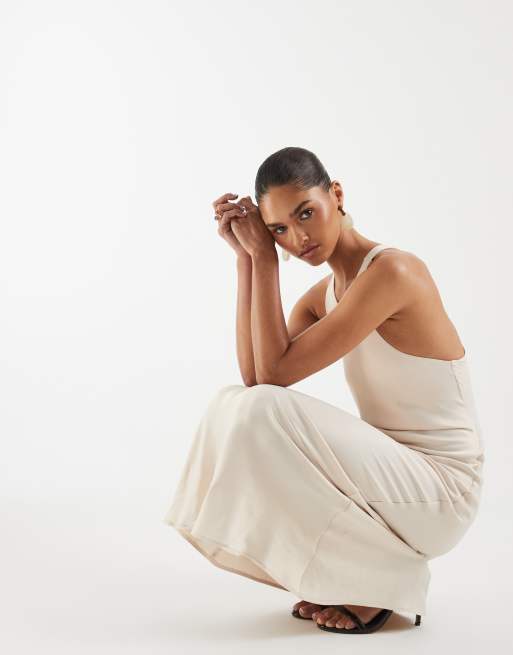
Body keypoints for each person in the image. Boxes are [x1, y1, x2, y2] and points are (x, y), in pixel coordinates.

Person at [162, 146, 484, 635]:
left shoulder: (393, 273)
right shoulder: (322, 298)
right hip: (395, 484)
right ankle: (357, 577)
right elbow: (255, 376)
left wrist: (267, 259)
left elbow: (274, 378)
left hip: (443, 491)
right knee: (234, 404)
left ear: (336, 194)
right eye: (278, 230)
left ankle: (381, 584)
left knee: (261, 410)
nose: (298, 238)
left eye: (305, 213)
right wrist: (247, 260)